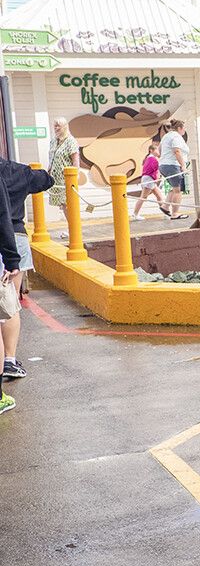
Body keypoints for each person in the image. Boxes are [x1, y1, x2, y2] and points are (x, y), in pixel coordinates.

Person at [0, 156, 52, 383]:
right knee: (8, 304)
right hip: (15, 238)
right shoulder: (16, 171)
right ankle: (9, 360)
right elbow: (46, 180)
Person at [48, 117, 79, 236]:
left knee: (68, 204)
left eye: (58, 126)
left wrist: (74, 177)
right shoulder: (53, 141)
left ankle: (74, 229)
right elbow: (52, 158)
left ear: (64, 127)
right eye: (55, 126)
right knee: (63, 205)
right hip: (56, 179)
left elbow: (75, 160)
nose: (56, 128)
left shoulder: (71, 141)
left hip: (66, 178)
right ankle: (72, 228)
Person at [158, 119, 190, 220]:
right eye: (183, 128)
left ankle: (165, 206)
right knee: (178, 190)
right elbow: (176, 151)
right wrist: (183, 166)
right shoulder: (176, 137)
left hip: (164, 165)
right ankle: (175, 214)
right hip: (173, 165)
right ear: (179, 128)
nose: (184, 130)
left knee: (174, 187)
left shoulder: (166, 136)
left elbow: (159, 150)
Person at [132, 141, 165, 220]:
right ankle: (135, 214)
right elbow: (154, 171)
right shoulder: (152, 159)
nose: (159, 152)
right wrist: (157, 179)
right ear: (151, 150)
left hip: (149, 179)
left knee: (159, 196)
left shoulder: (149, 158)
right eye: (157, 150)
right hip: (149, 179)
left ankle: (166, 213)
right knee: (143, 197)